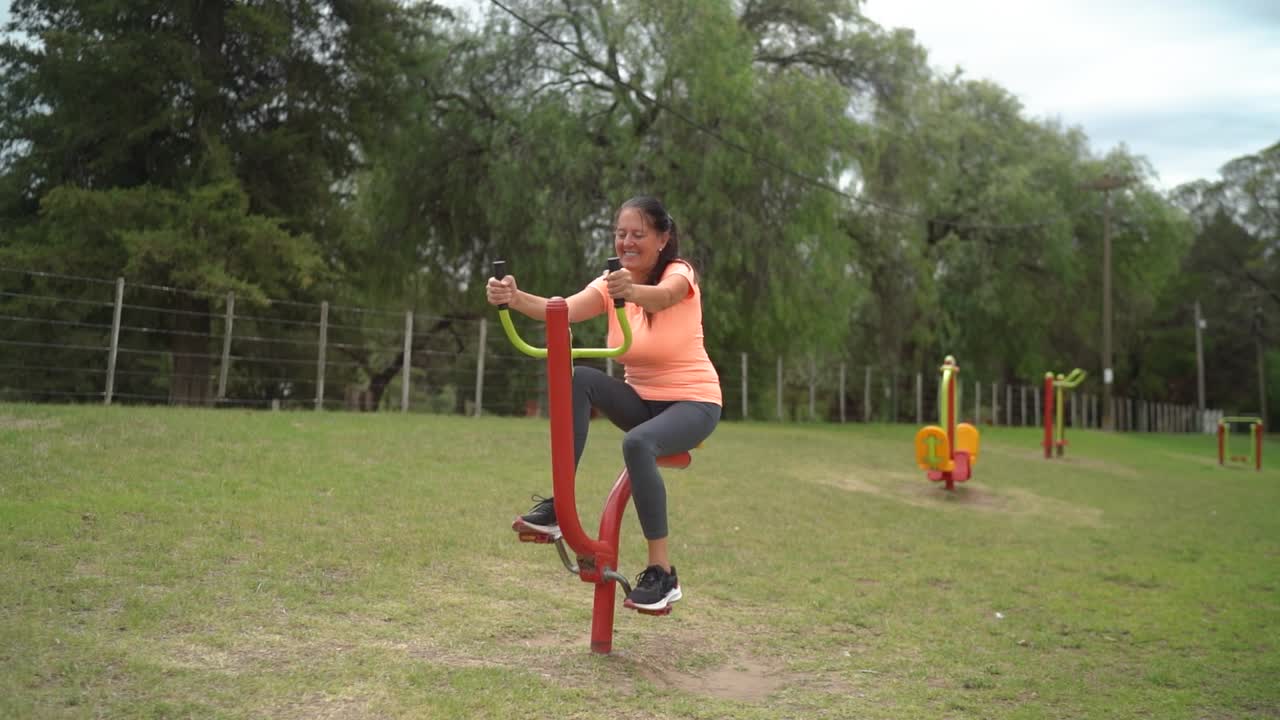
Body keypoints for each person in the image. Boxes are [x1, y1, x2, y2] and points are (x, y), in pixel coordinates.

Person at [485, 196, 721, 613]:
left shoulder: (679, 273)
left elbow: (664, 297)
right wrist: (514, 297)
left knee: (637, 445)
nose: (627, 242)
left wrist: (632, 290)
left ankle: (662, 573)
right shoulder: (612, 284)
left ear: (663, 238)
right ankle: (560, 506)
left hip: (693, 402)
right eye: (620, 234)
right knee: (580, 380)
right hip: (642, 401)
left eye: (638, 234)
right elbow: (561, 311)